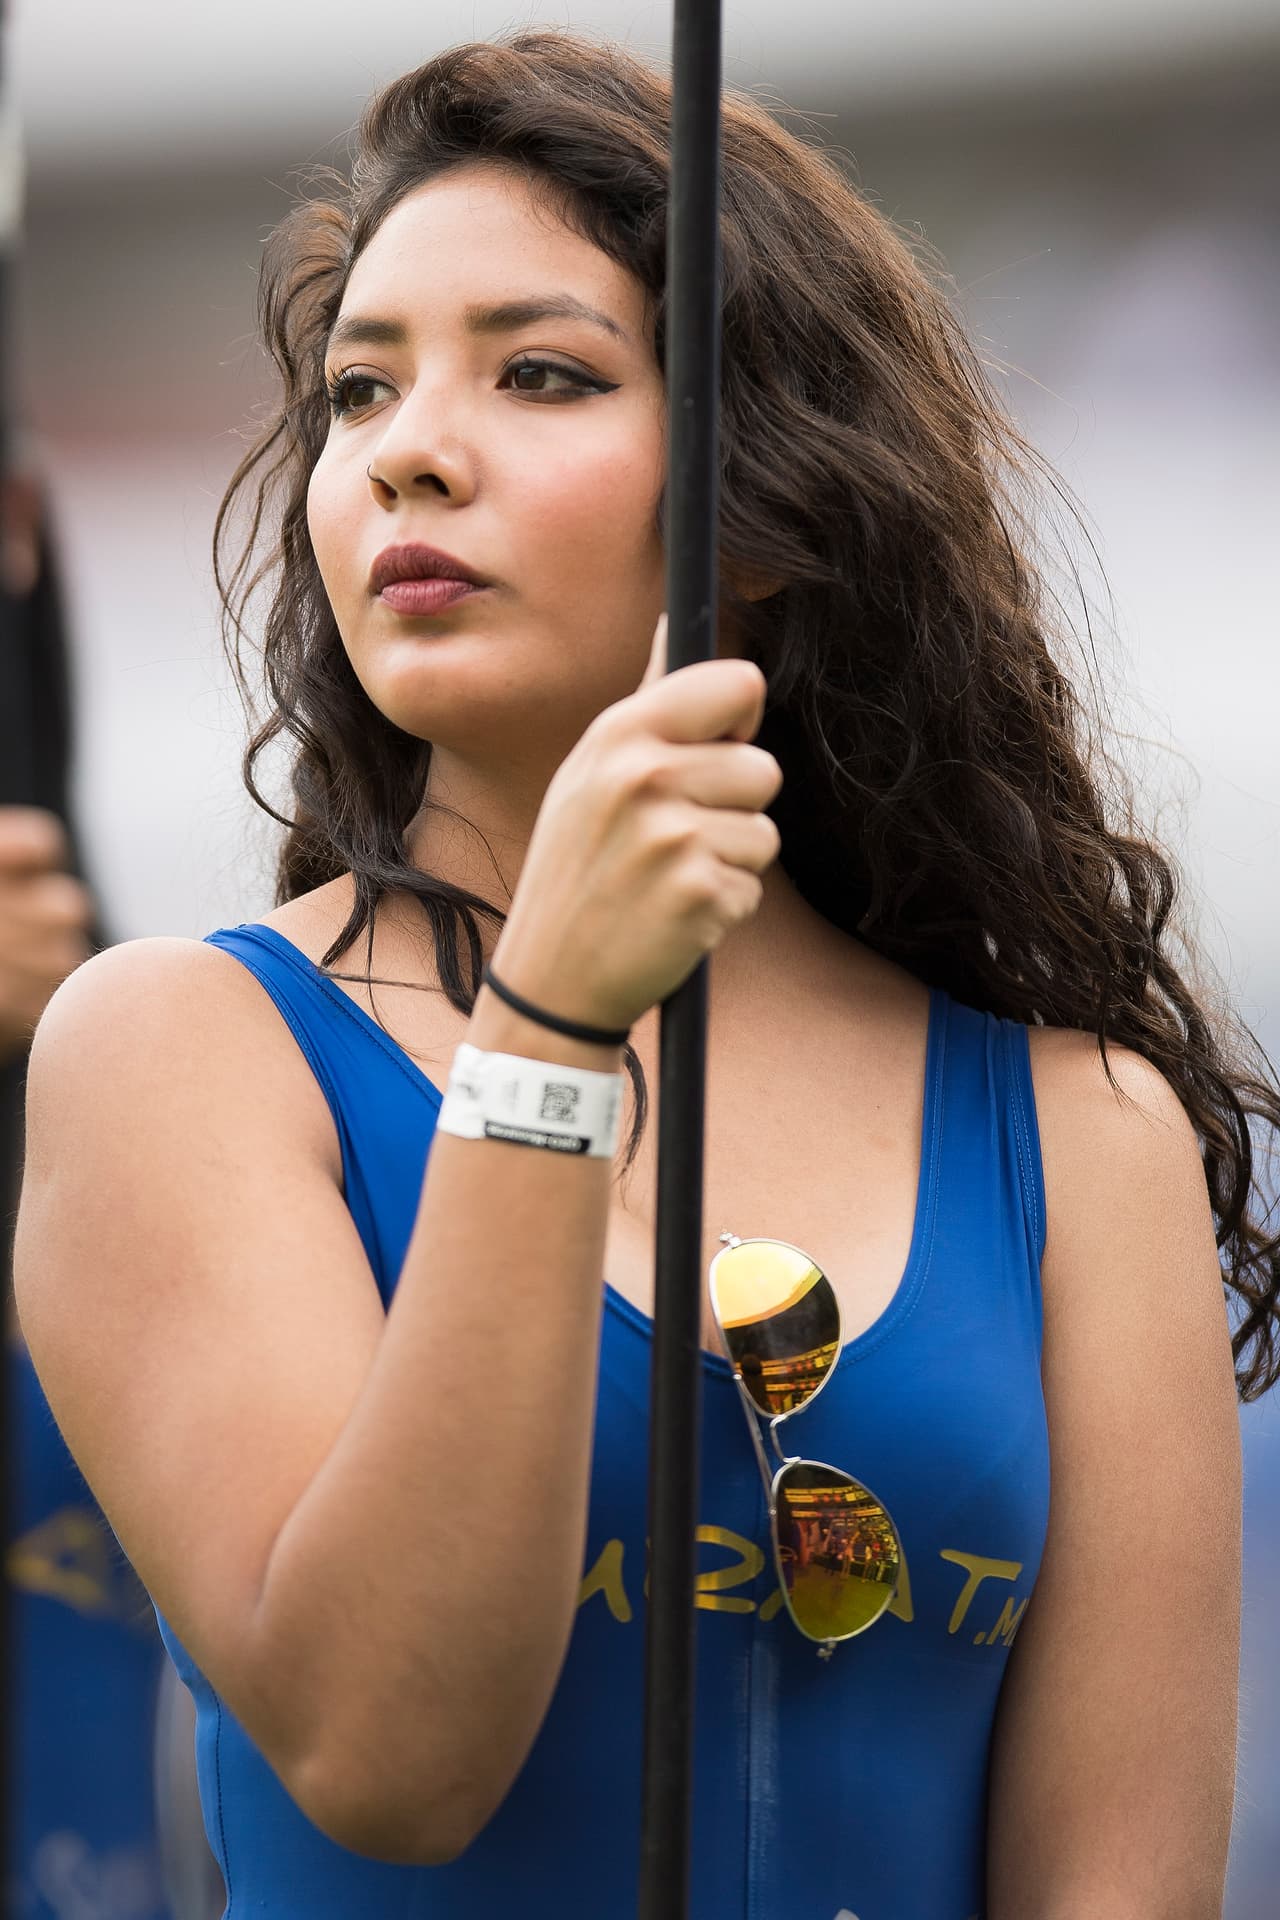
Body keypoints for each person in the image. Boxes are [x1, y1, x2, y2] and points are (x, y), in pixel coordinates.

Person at [11, 28, 1278, 1920]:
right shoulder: (185, 1053)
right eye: (360, 393)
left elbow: (1124, 1889)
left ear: (764, 511)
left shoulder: (1079, 1133)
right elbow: (386, 1754)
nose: (410, 450)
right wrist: (549, 1036)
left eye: (540, 374)